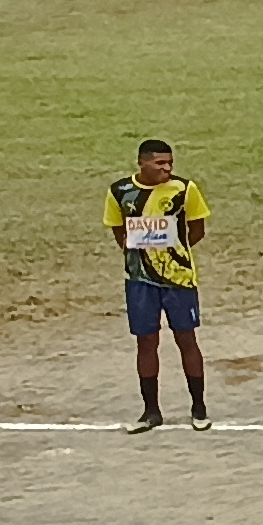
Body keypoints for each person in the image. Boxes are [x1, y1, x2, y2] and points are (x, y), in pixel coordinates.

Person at [109, 138, 213, 433]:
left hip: (178, 279)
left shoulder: (184, 190)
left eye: (170, 163)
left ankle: (199, 408)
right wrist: (142, 258)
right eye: (159, 163)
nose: (166, 169)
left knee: (186, 339)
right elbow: (119, 231)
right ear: (142, 162)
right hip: (139, 281)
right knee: (146, 342)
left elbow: (197, 229)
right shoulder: (120, 192)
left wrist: (172, 254)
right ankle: (151, 411)